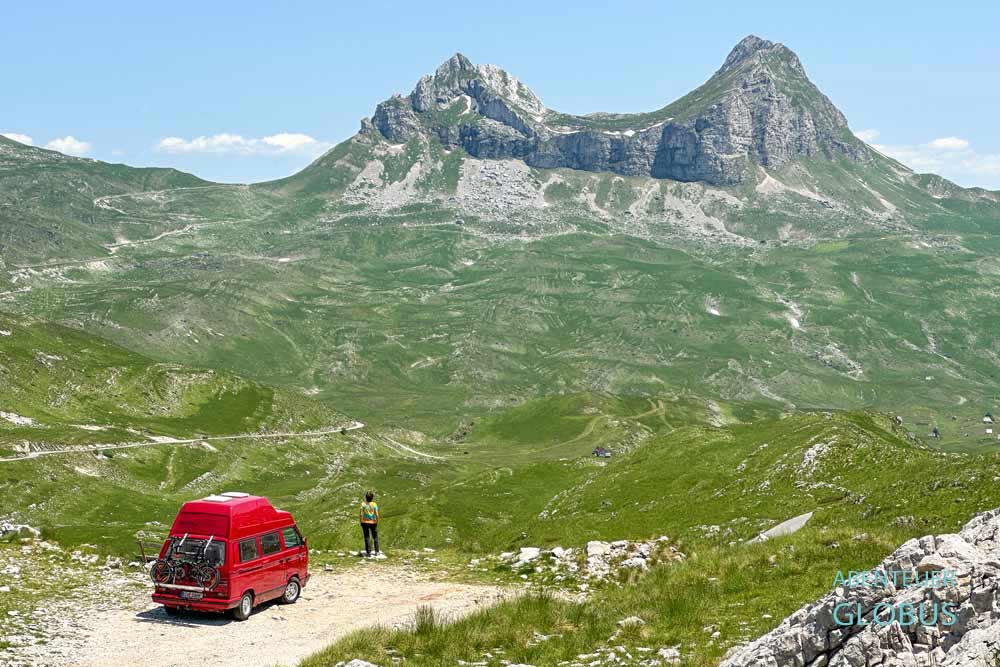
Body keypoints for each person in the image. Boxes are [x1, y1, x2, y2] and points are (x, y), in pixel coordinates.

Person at [359, 490, 380, 557]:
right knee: (375, 537)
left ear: (366, 497)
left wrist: (361, 521)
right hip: (373, 522)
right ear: (372, 497)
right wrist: (376, 521)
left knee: (367, 537)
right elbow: (376, 514)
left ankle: (368, 552)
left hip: (365, 522)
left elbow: (361, 514)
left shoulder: (363, 504)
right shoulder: (374, 504)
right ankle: (377, 551)